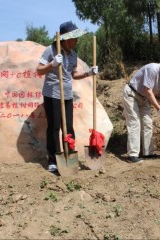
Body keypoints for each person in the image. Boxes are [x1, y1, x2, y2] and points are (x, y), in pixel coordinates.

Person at [36, 21, 98, 172]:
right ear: (65, 39)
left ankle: (69, 154)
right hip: (52, 94)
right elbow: (39, 70)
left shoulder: (73, 54)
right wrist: (52, 64)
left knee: (68, 127)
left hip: (67, 94)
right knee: (55, 127)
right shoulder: (50, 50)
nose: (77, 41)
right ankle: (53, 160)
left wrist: (88, 73)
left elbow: (73, 74)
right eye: (74, 38)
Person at [122, 56, 160, 163]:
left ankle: (147, 153)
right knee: (134, 123)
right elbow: (148, 90)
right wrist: (159, 109)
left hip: (143, 98)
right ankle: (133, 155)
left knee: (148, 123)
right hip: (132, 94)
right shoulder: (152, 69)